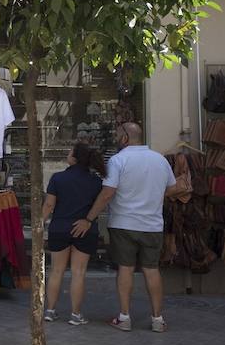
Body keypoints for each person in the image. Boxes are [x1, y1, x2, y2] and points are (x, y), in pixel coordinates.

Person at [72, 122, 176, 333]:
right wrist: (151, 198)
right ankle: (158, 319)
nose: (117, 138)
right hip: (152, 225)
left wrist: (89, 219)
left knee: (125, 269)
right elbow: (172, 188)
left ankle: (124, 317)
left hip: (123, 223)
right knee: (152, 269)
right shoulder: (160, 160)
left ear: (125, 138)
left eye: (119, 135)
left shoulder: (119, 160)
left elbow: (108, 193)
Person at [41, 143, 105, 326]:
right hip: (85, 229)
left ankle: (50, 311)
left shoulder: (58, 178)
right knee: (79, 273)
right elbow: (99, 204)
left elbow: (49, 206)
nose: (67, 154)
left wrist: (40, 224)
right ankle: (76, 315)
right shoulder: (95, 181)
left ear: (74, 158)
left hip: (60, 227)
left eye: (69, 152)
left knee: (56, 271)